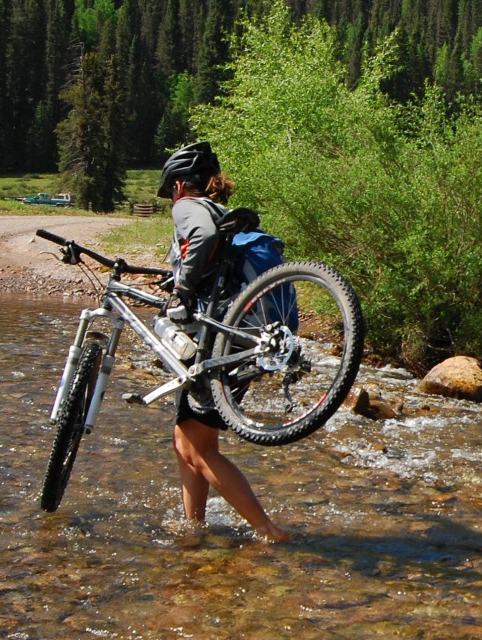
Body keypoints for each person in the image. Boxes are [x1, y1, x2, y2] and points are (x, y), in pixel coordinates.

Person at [157, 141, 289, 543]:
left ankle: (268, 531)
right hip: (237, 334)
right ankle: (193, 528)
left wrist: (181, 288)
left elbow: (203, 235)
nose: (170, 202)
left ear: (180, 185)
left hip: (220, 340)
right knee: (186, 441)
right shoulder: (222, 212)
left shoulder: (190, 207)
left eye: (170, 194)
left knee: (199, 449)